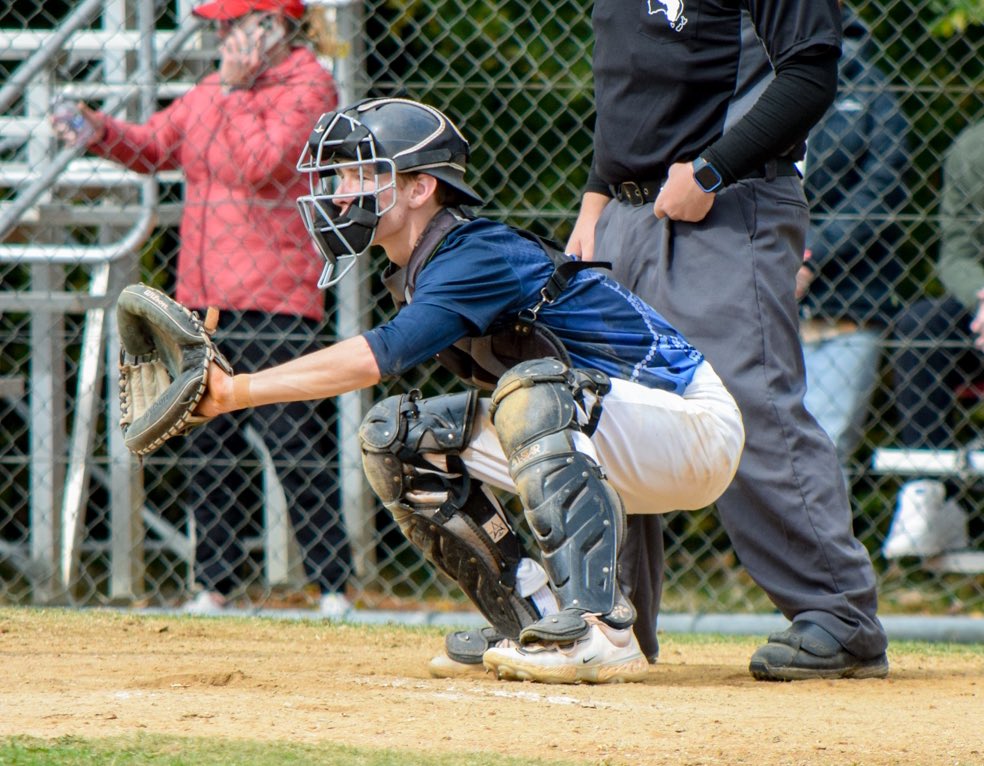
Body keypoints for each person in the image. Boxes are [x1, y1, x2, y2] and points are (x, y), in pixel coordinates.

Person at [194, 96, 746, 684]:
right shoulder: (426, 263)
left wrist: (236, 390)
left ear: (419, 189)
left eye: (362, 174)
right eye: (341, 176)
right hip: (614, 429)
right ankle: (535, 619)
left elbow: (381, 354)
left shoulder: (472, 254)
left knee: (529, 393)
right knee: (397, 440)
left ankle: (599, 631)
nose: (339, 192)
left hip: (691, 423)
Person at [564, 2, 889, 680]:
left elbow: (810, 71)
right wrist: (595, 200)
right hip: (626, 215)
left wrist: (712, 169)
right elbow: (631, 90)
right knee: (601, 409)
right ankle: (602, 618)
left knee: (746, 404)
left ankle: (839, 615)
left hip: (726, 203)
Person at [51, 0, 353, 616]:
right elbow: (155, 147)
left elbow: (261, 166)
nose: (220, 32)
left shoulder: (309, 84)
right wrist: (98, 131)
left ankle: (334, 587)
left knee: (290, 438)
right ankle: (213, 584)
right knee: (206, 443)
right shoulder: (212, 89)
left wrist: (236, 93)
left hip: (275, 297)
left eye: (232, 21)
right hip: (204, 300)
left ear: (271, 25)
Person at [797, 5, 911, 469]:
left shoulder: (874, 92)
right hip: (758, 294)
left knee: (826, 448)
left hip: (849, 301)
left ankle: (819, 545)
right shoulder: (743, 81)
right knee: (754, 449)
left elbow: (883, 188)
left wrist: (808, 254)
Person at [881, 120, 984, 559]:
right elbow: (956, 251)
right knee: (920, 325)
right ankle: (929, 490)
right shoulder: (973, 146)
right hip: (982, 309)